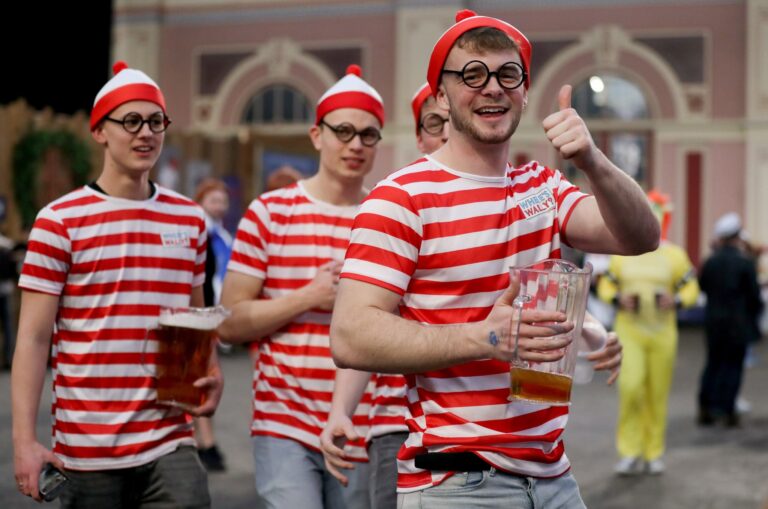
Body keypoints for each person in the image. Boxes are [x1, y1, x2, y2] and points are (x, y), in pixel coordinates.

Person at [330, 9, 658, 508]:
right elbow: (350, 335)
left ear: (525, 90)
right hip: (458, 481)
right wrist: (485, 337)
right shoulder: (401, 198)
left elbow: (640, 236)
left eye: (508, 74)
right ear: (440, 95)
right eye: (471, 75)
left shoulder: (543, 188)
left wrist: (591, 158)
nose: (492, 88)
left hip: (553, 474)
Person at [11, 61, 223, 507]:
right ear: (100, 131)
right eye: (130, 121)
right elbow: (31, 339)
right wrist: (24, 441)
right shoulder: (59, 220)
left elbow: (196, 317)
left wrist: (211, 370)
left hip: (170, 438)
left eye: (155, 121)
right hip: (87, 448)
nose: (145, 133)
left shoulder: (189, 218)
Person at [218, 64, 383, 509]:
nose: (355, 145)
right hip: (283, 419)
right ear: (317, 135)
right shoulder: (270, 212)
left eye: (369, 135)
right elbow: (230, 322)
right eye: (344, 131)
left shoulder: (385, 217)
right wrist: (309, 296)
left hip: (359, 422)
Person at [319, 82, 449, 509]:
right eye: (436, 122)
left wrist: (590, 330)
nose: (447, 132)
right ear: (419, 135)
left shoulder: (512, 198)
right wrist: (342, 408)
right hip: (400, 420)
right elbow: (365, 321)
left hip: (497, 427)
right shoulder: (398, 201)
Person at [597, 190, 699, 475]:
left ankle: (653, 451)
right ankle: (629, 451)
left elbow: (691, 288)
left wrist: (676, 300)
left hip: (663, 334)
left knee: (657, 394)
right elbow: (606, 285)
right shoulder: (623, 252)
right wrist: (618, 299)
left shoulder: (675, 255)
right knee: (630, 389)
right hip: (629, 333)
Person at [697, 212, 763, 427]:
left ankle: (706, 407)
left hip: (713, 321)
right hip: (738, 323)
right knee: (733, 365)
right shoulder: (744, 263)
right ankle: (727, 411)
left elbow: (703, 286)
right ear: (737, 236)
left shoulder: (710, 261)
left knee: (713, 363)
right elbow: (754, 295)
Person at [194, 178, 234, 472]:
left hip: (213, 314)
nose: (218, 206)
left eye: (222, 201)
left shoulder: (223, 236)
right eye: (213, 201)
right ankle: (205, 444)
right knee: (201, 380)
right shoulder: (200, 233)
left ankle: (205, 443)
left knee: (204, 380)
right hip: (200, 316)